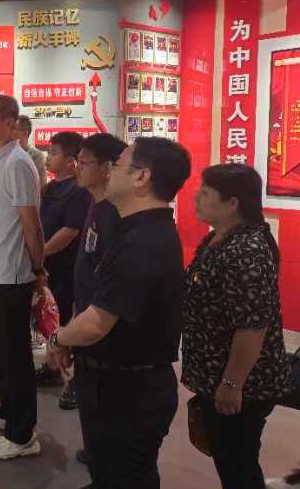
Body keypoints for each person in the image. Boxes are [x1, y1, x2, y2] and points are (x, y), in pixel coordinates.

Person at [46, 137, 191, 489]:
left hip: (130, 391)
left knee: (126, 476)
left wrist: (58, 338)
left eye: (119, 165)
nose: (110, 173)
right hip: (112, 381)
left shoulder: (144, 241)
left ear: (142, 177)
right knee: (109, 470)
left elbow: (97, 323)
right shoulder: (133, 228)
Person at [182, 164, 292, 489]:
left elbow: (252, 328)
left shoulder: (246, 250)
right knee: (230, 456)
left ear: (232, 203)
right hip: (218, 375)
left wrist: (231, 384)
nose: (196, 197)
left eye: (205, 193)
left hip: (245, 385)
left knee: (237, 464)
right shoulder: (220, 238)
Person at [0, 95, 46, 460]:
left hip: (13, 275)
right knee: (2, 352)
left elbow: (31, 226)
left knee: (16, 356)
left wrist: (38, 269)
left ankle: (23, 434)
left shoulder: (17, 163)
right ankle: (7, 412)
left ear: (10, 122)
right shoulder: (1, 160)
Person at [66, 133, 128, 454]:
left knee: (108, 406)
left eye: (83, 162)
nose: (77, 168)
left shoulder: (117, 216)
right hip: (86, 317)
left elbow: (111, 285)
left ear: (107, 168)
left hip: (104, 330)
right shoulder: (95, 206)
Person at [37, 132, 92, 388]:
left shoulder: (79, 191)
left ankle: (74, 377)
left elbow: (70, 231)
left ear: (71, 161)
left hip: (68, 265)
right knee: (51, 317)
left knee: (70, 319)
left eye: (54, 153)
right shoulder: (49, 188)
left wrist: (41, 253)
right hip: (48, 265)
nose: (48, 158)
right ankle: (52, 367)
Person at [12, 114, 48, 188]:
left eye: (14, 129)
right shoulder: (6, 154)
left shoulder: (36, 156)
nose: (11, 132)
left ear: (25, 132)